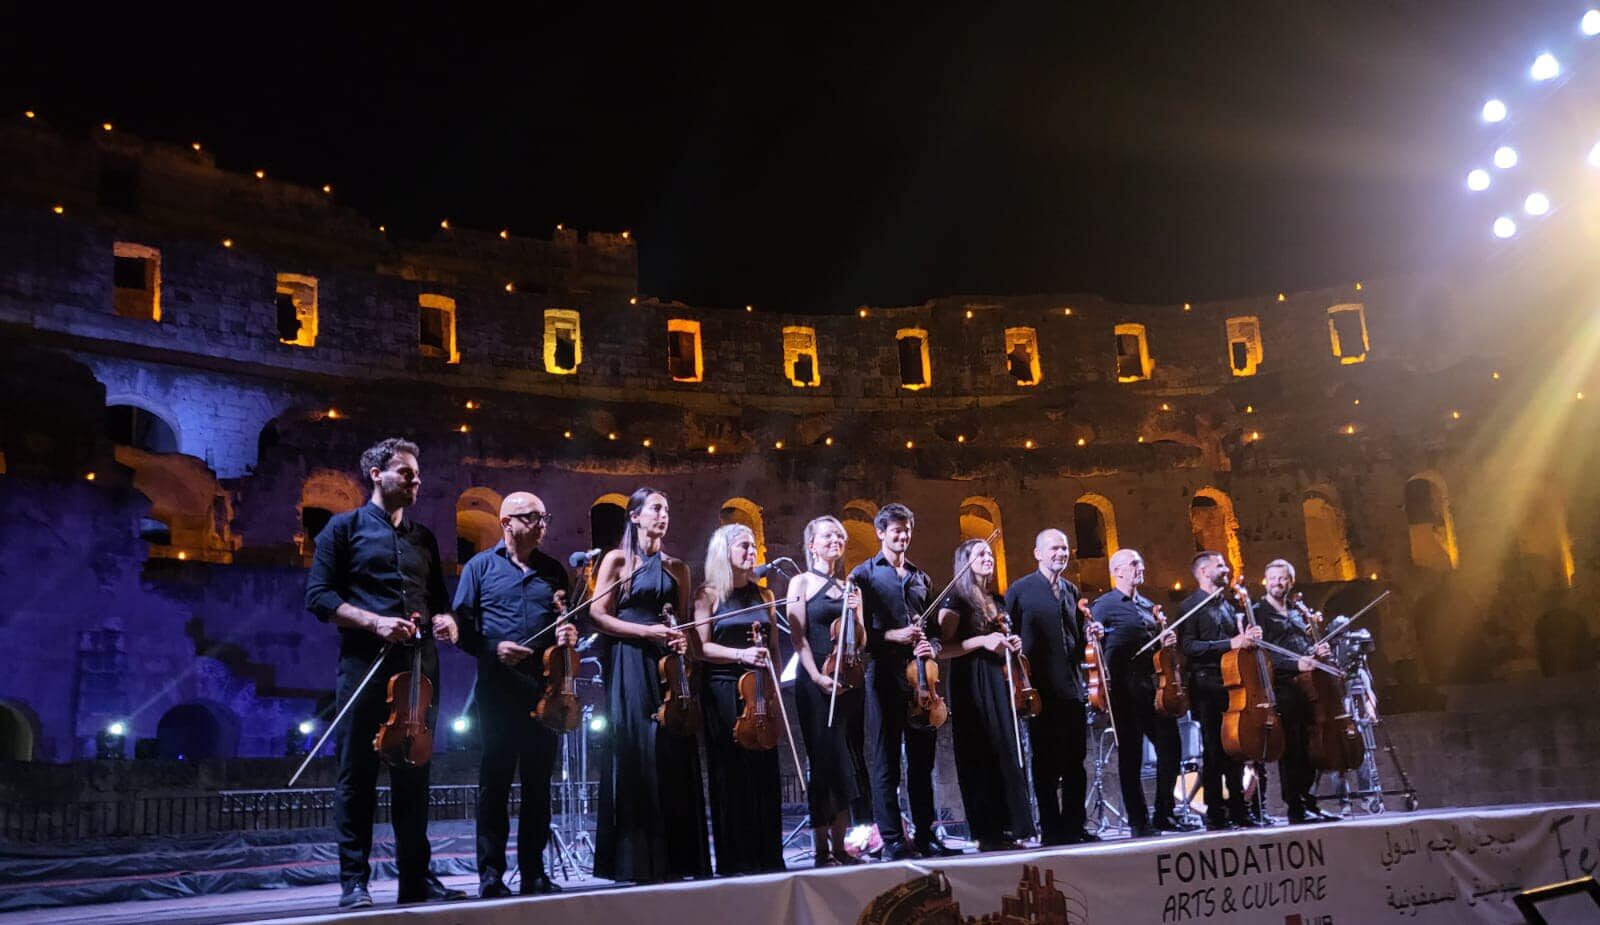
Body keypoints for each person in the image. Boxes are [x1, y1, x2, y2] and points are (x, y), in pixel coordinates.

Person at [304, 437, 466, 909]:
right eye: (405, 472)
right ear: (376, 473)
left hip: (419, 669)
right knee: (357, 776)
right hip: (365, 668)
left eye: (417, 474)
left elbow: (440, 599)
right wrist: (374, 621)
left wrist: (447, 620)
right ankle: (353, 881)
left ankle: (416, 878)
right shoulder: (342, 529)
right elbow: (319, 598)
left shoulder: (424, 539)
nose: (415, 480)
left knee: (415, 773)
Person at [452, 491, 577, 897]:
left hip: (545, 689)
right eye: (532, 518)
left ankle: (534, 872)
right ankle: (490, 874)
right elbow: (461, 629)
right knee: (496, 783)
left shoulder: (554, 572)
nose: (542, 525)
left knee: (539, 785)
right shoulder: (479, 568)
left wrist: (570, 635)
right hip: (499, 689)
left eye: (545, 517)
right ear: (507, 523)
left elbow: (567, 622)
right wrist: (493, 649)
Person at [587, 488, 711, 882]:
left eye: (668, 509)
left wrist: (677, 637)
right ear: (635, 516)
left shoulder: (678, 567)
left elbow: (685, 623)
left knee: (673, 747)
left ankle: (679, 857)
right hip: (630, 661)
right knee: (639, 749)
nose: (664, 515)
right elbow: (598, 614)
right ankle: (636, 859)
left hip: (668, 667)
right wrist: (646, 631)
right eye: (656, 508)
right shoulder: (617, 560)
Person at [849, 503, 957, 859]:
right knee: (886, 762)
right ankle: (893, 840)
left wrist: (931, 643)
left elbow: (938, 634)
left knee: (923, 763)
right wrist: (894, 636)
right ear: (880, 532)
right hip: (883, 676)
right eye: (896, 530)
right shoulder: (862, 576)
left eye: (907, 529)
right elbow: (859, 638)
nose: (903, 535)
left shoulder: (921, 578)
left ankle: (926, 836)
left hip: (922, 680)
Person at [693, 524, 786, 875]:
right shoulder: (708, 595)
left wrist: (775, 692)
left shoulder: (765, 596)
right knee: (730, 773)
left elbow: (775, 648)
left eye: (755, 546)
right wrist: (741, 655)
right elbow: (701, 648)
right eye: (744, 546)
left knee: (764, 772)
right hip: (724, 689)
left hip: (761, 689)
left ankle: (767, 855)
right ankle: (735, 859)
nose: (753, 552)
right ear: (725, 551)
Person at [1090, 549, 1197, 838]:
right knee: (1131, 755)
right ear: (1118, 571)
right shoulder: (1104, 605)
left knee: (1171, 748)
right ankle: (1138, 821)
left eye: (1141, 561)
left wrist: (1167, 640)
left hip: (1154, 688)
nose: (1141, 567)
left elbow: (1160, 652)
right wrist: (1095, 635)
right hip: (1124, 690)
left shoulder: (1149, 606)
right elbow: (1093, 644)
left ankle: (1164, 813)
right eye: (1134, 563)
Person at [937, 539, 1036, 851]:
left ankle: (1011, 827)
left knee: (1006, 749)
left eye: (990, 553)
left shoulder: (998, 600)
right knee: (979, 751)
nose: (988, 558)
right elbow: (942, 649)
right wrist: (982, 642)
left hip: (1000, 678)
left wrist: (1012, 644)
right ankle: (987, 832)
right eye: (979, 554)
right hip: (971, 681)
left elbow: (1001, 637)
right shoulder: (956, 600)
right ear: (964, 562)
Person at [786, 516, 871, 867]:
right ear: (812, 544)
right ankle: (822, 849)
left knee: (847, 761)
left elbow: (861, 641)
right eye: (827, 535)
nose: (835, 539)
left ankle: (841, 845)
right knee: (824, 761)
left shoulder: (853, 587)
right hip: (815, 679)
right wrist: (816, 677)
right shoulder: (800, 582)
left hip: (848, 678)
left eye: (839, 534)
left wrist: (857, 617)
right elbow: (798, 636)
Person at [1008, 529, 1100, 845]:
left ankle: (1074, 826)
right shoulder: (1020, 590)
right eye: (1054, 548)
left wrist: (1090, 634)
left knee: (1076, 764)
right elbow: (1010, 636)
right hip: (1039, 691)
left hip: (1072, 689)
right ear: (1038, 553)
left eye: (1064, 548)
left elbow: (1074, 640)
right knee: (1045, 765)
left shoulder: (1071, 590)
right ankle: (1051, 829)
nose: (1061, 553)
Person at [1254, 559, 1340, 824]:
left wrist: (1316, 651)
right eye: (1273, 578)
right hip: (1282, 686)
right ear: (1266, 581)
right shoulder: (1258, 613)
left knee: (1313, 743)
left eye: (1283, 578)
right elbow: (1264, 653)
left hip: (1308, 683)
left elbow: (1305, 644)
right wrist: (1295, 663)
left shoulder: (1297, 611)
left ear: (1291, 582)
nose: (1278, 583)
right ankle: (1295, 807)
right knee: (1293, 747)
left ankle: (1310, 801)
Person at [1177, 552, 1257, 830]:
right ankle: (1215, 813)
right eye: (1220, 565)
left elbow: (1236, 642)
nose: (1227, 568)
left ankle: (1239, 808)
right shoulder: (1190, 606)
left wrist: (1247, 639)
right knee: (1214, 749)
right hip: (1206, 685)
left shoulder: (1227, 604)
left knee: (1235, 748)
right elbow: (1188, 647)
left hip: (1231, 684)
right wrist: (1228, 644)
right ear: (1202, 571)